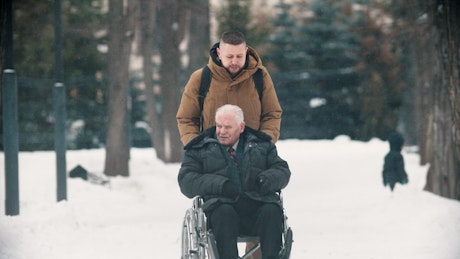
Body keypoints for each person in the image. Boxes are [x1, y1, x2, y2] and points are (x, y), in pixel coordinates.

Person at [178, 104, 290, 259]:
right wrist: (220, 185)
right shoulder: (199, 148)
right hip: (221, 209)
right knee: (224, 213)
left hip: (257, 205)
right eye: (219, 126)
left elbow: (282, 170)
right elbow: (186, 180)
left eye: (228, 127)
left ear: (241, 127)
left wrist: (266, 180)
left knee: (272, 210)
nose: (222, 131)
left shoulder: (262, 145)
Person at [176, 31, 282, 146]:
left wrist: (264, 144)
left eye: (239, 56)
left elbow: (272, 114)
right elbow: (187, 118)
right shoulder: (200, 78)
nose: (234, 61)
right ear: (219, 53)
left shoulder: (260, 76)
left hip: (253, 158)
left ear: (246, 52)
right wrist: (198, 147)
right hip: (211, 159)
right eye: (229, 56)